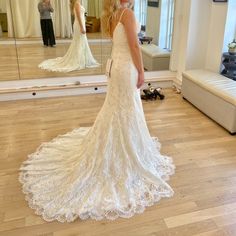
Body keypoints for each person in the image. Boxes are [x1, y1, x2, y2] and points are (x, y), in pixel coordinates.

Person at [19, 0, 175, 222]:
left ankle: (121, 140)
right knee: (125, 109)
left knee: (117, 108)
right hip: (126, 67)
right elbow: (134, 46)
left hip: (115, 66)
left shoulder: (111, 15)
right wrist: (142, 72)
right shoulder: (127, 14)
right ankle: (125, 147)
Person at [38, 0, 99, 72]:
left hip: (79, 24)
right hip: (79, 25)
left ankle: (82, 59)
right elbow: (79, 16)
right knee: (79, 42)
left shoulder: (76, 3)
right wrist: (82, 27)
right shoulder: (76, 3)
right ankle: (79, 60)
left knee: (80, 42)